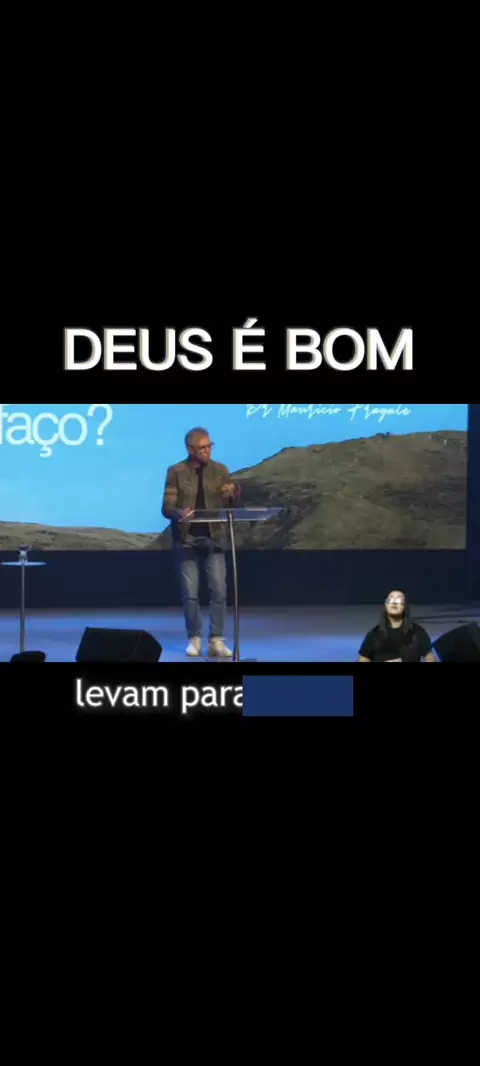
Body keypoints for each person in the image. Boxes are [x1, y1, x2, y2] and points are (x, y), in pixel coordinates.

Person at [162, 428, 241, 658]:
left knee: (219, 590)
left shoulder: (220, 470)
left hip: (214, 538)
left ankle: (217, 639)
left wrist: (232, 494)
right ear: (190, 449)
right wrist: (179, 513)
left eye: (209, 446)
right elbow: (167, 507)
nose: (207, 451)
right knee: (190, 593)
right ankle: (194, 638)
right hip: (186, 538)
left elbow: (230, 503)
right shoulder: (176, 472)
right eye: (202, 448)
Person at [358, 591, 437, 662]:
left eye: (399, 600)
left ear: (405, 606)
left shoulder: (417, 632)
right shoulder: (374, 634)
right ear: (385, 605)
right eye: (391, 599)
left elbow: (430, 657)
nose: (394, 602)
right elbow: (363, 659)